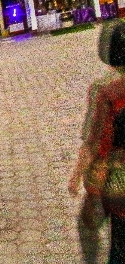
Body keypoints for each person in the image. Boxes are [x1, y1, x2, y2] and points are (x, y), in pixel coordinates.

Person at [69, 20, 125, 263]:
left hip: (115, 175)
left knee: (91, 226)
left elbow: (92, 139)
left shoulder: (104, 89)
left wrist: (76, 176)